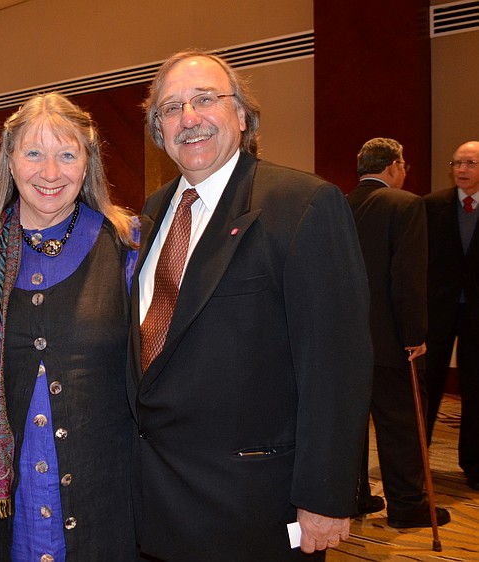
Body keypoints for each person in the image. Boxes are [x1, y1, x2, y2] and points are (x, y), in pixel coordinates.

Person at [130, 49, 373, 561]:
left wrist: (325, 496)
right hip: (155, 500)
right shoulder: (152, 213)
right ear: (158, 130)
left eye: (204, 100)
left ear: (241, 115)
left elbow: (336, 365)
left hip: (251, 505)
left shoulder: (303, 204)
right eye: (171, 108)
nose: (188, 118)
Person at [0, 92, 139, 561]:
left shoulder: (128, 246)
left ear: (87, 161)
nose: (51, 172)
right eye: (34, 153)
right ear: (10, 161)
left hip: (105, 495)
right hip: (4, 503)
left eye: (67, 154)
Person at [347, 137, 451, 527]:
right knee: (401, 424)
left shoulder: (337, 204)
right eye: (403, 164)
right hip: (390, 340)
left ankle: (354, 496)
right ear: (392, 166)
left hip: (345, 342)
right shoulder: (406, 205)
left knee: (350, 424)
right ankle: (407, 506)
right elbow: (406, 277)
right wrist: (416, 334)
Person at [425, 140, 479, 492]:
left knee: (474, 389)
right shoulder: (432, 206)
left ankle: (473, 466)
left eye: (470, 163)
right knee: (429, 386)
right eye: (457, 162)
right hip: (437, 311)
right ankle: (416, 465)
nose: (461, 169)